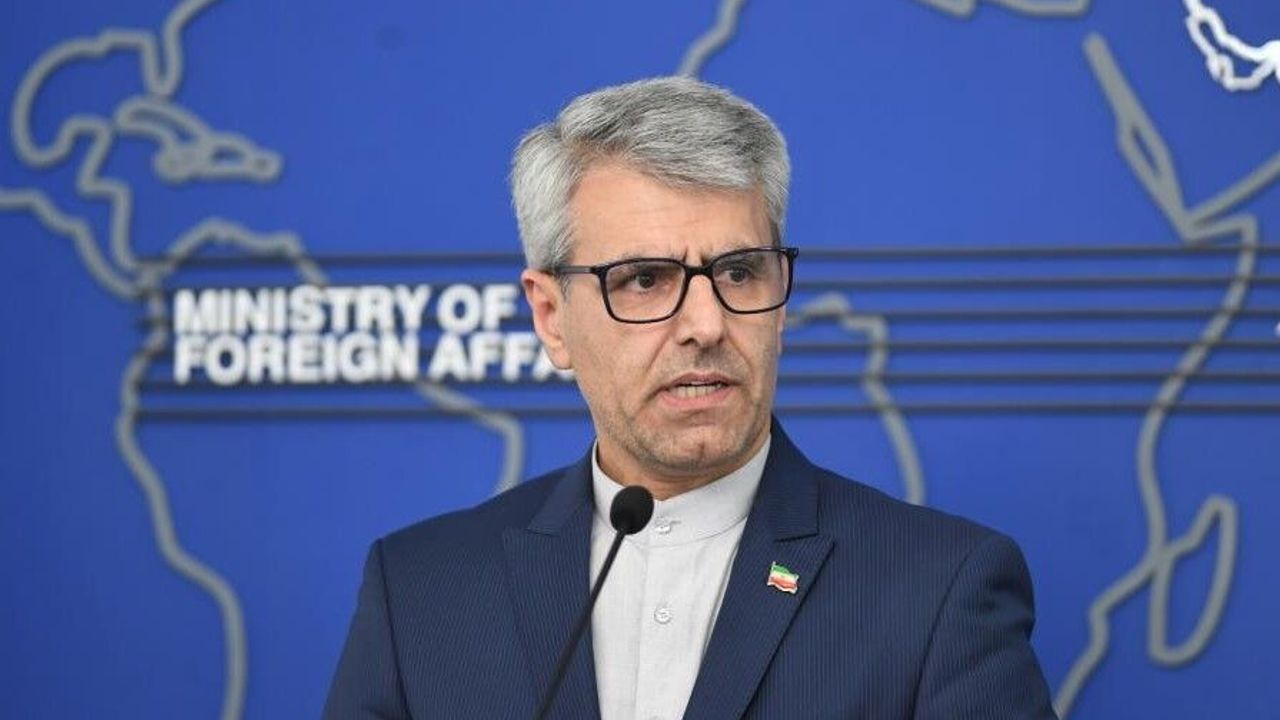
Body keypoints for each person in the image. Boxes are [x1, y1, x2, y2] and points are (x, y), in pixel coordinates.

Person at [323, 76, 1058, 719]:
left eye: (739, 273)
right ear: (551, 317)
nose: (706, 325)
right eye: (645, 280)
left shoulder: (939, 591)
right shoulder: (420, 592)